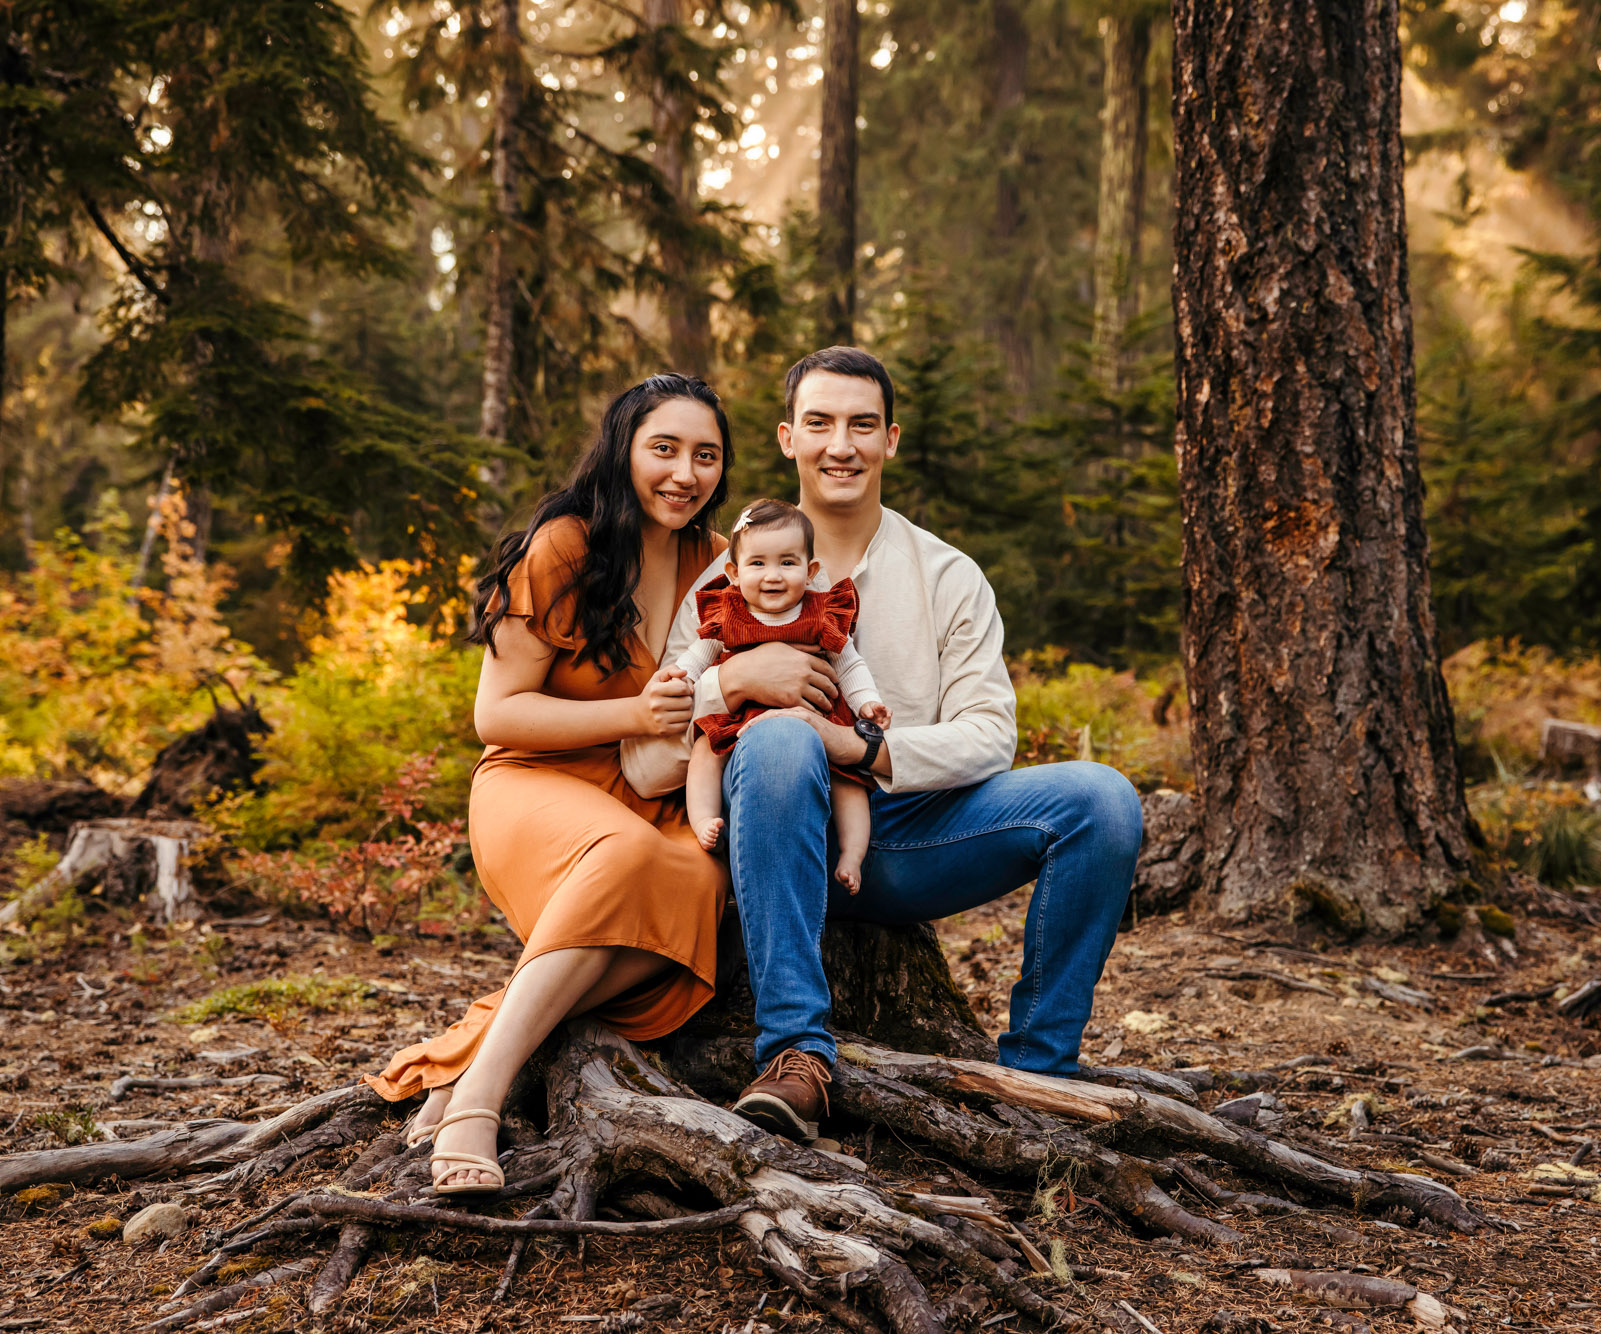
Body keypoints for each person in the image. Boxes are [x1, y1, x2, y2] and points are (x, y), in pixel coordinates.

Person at [622, 347, 1144, 1143]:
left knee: (1102, 800)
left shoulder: (948, 575)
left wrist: (853, 746)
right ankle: (797, 1056)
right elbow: (649, 751)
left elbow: (989, 734)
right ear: (788, 438)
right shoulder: (727, 582)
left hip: (909, 835)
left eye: (862, 425)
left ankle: (1039, 1073)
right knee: (776, 744)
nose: (842, 445)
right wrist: (738, 685)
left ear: (890, 440)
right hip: (769, 831)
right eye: (821, 423)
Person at [368, 373, 732, 1194]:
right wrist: (637, 715)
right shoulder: (569, 546)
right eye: (664, 449)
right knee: (627, 856)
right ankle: (479, 1104)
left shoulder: (720, 564)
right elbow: (498, 715)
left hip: (657, 792)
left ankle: (465, 1062)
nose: (685, 473)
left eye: (705, 456)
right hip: (537, 780)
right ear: (623, 451)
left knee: (700, 882)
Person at [676, 497, 892, 893]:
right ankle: (705, 819)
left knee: (850, 783)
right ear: (734, 574)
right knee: (705, 751)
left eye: (787, 562)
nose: (772, 575)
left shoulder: (823, 613)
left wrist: (866, 703)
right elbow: (698, 655)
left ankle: (852, 854)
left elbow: (849, 664)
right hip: (740, 719)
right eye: (757, 563)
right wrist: (681, 679)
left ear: (810, 571)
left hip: (817, 718)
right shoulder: (727, 613)